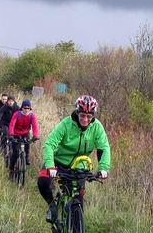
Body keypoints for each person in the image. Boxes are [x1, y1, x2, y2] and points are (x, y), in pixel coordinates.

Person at [38, 95, 110, 223]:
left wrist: (103, 168)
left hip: (79, 166)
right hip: (58, 163)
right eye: (82, 115)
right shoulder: (66, 124)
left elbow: (103, 148)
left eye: (89, 116)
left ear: (93, 116)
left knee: (78, 199)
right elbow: (49, 144)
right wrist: (50, 165)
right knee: (43, 182)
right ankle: (52, 207)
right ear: (77, 113)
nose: (85, 119)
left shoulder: (97, 127)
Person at [7, 99, 39, 168]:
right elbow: (12, 124)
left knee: (27, 146)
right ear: (22, 108)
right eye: (25, 108)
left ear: (30, 109)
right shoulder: (17, 114)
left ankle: (27, 157)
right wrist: (11, 134)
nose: (26, 110)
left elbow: (35, 126)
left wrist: (35, 136)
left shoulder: (32, 115)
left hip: (25, 133)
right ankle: (11, 169)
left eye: (28, 108)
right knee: (15, 153)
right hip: (15, 134)